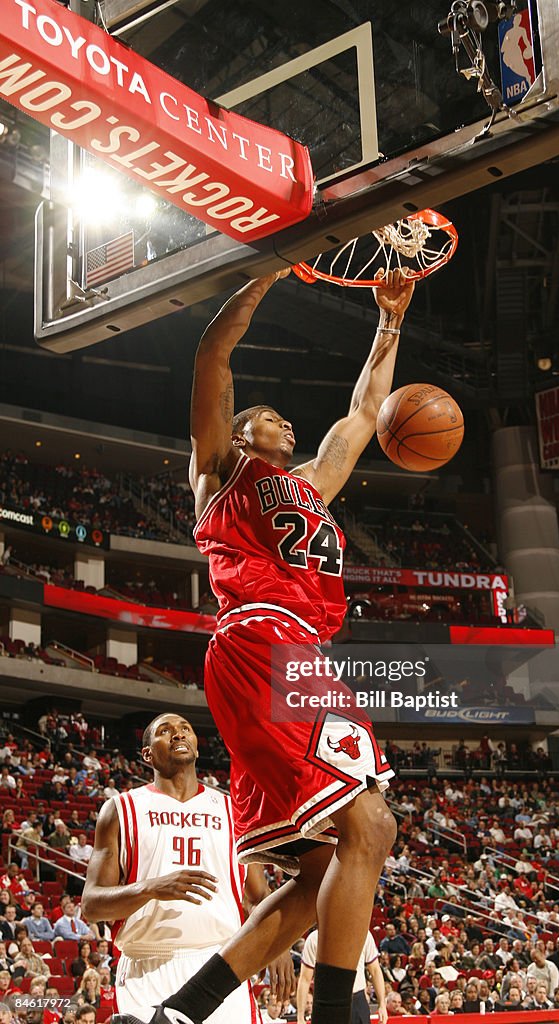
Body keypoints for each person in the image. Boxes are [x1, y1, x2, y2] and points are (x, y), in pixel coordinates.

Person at [113, 269, 413, 1024]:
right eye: (269, 417)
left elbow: (364, 410)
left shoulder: (311, 482)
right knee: (371, 825)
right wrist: (262, 277)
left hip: (298, 651)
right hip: (260, 640)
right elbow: (213, 358)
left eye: (283, 419)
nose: (283, 423)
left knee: (319, 876)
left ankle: (181, 1011)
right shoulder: (221, 472)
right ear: (241, 433)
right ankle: (336, 1016)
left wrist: (390, 321)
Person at [83, 712, 292, 1024]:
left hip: (223, 962)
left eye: (185, 729)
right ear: (147, 754)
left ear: (196, 743)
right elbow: (92, 905)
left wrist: (278, 943)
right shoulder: (120, 810)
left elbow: (257, 896)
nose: (178, 734)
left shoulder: (233, 811)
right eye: (165, 731)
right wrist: (151, 888)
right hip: (147, 967)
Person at [296, 928, 387, 1024]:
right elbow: (305, 979)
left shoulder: (363, 933)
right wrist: (300, 1017)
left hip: (357, 1001)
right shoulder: (314, 938)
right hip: (326, 1003)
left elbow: (375, 971)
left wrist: (382, 1004)